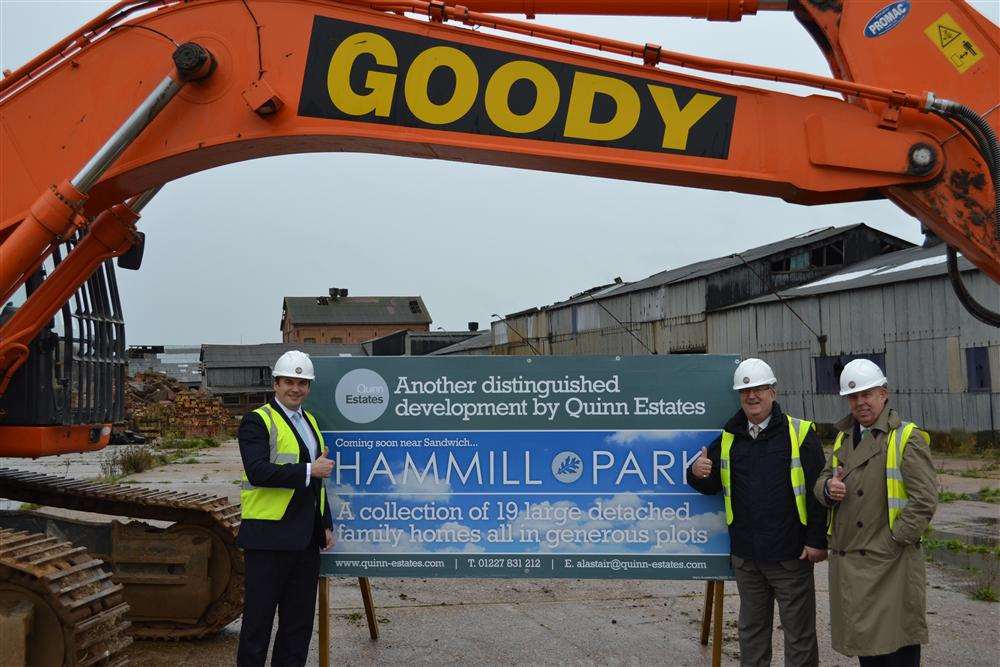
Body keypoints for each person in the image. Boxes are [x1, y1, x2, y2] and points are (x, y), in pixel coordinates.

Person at [688, 358, 827, 667]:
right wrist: (695, 472)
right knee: (751, 633)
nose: (752, 396)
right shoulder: (729, 436)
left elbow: (818, 492)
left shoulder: (799, 433)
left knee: (799, 635)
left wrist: (817, 540)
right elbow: (709, 480)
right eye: (745, 391)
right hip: (748, 558)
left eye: (759, 389)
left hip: (790, 556)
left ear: (773, 392)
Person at [815, 359, 937, 666]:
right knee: (869, 654)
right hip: (854, 565)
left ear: (884, 394)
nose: (860, 403)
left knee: (896, 651)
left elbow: (924, 500)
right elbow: (821, 481)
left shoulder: (906, 437)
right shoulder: (844, 437)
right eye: (853, 397)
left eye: (867, 394)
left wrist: (894, 540)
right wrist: (829, 489)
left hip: (890, 564)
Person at [236, 350, 335, 667]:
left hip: (305, 540)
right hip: (268, 540)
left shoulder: (310, 422)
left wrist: (325, 522)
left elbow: (318, 483)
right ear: (276, 384)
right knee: (258, 624)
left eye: (302, 383)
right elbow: (258, 471)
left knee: (297, 625)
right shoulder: (257, 421)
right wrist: (309, 470)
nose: (296, 388)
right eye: (289, 382)